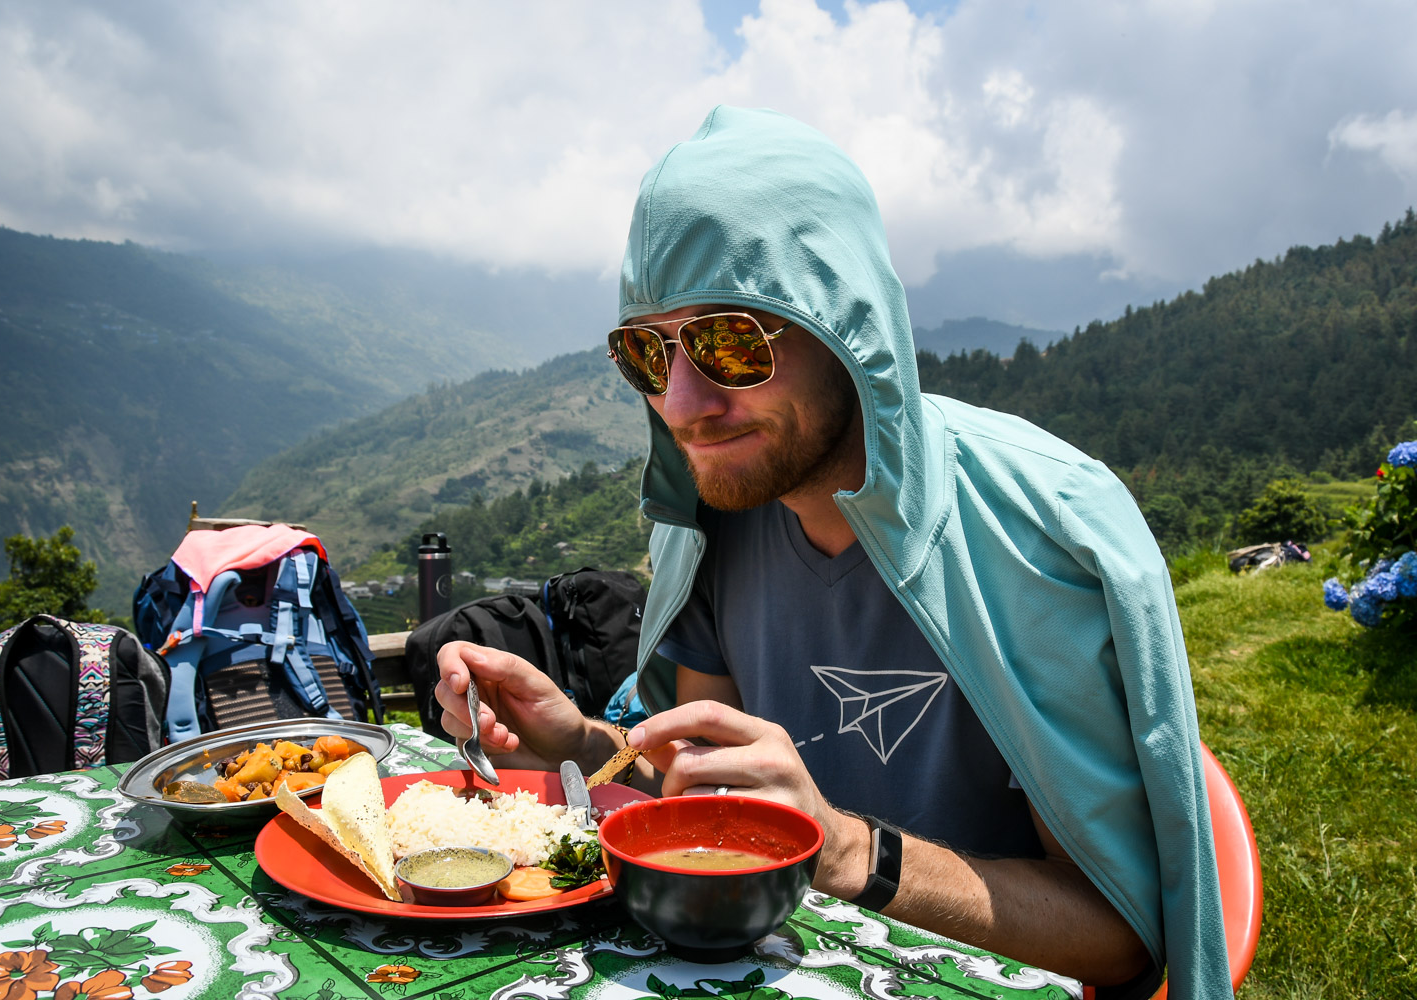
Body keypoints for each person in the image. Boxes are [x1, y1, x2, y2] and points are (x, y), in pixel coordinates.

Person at [437, 106, 1229, 998]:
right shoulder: (710, 526)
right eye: (648, 355)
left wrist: (845, 849)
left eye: (731, 343)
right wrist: (578, 742)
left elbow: (1121, 940)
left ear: (844, 325)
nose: (686, 403)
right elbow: (706, 790)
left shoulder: (1040, 535)